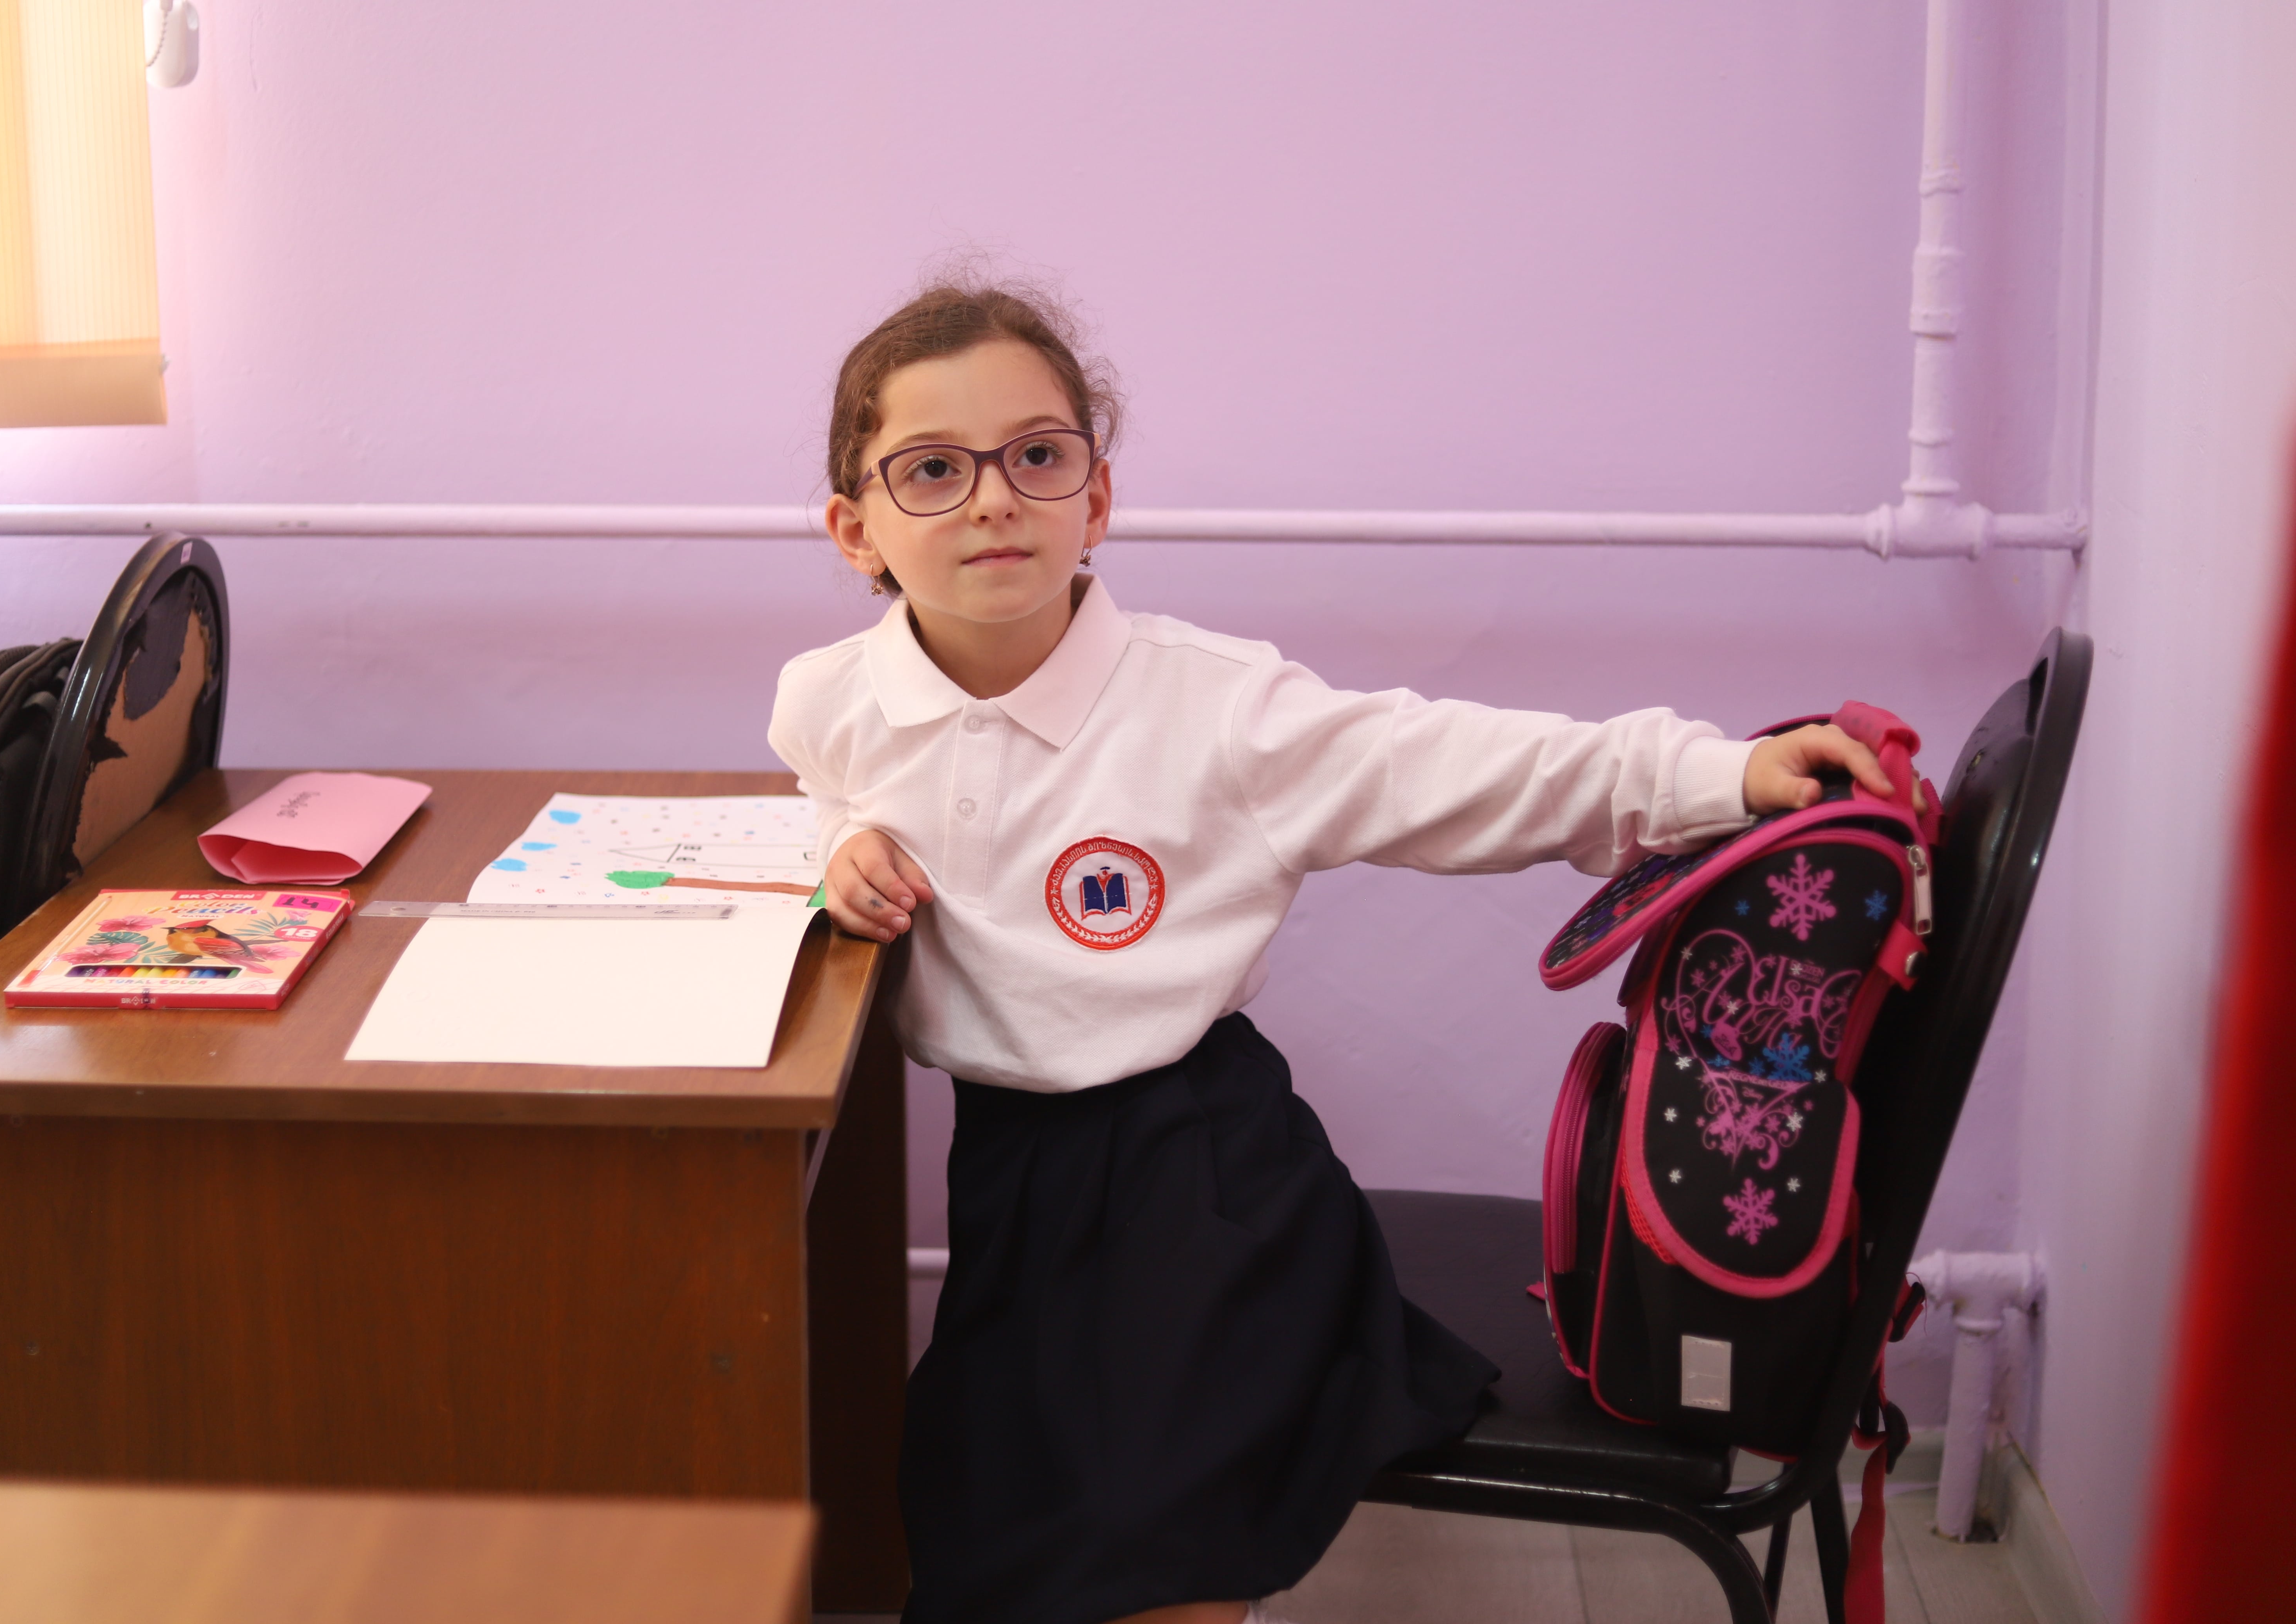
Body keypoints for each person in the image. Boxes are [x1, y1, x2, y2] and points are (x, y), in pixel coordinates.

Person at [767, 283, 1903, 1624]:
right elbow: (827, 794)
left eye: (1037, 455)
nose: (994, 500)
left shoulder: (1217, 707)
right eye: (933, 471)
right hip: (1016, 1182)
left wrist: (1717, 773)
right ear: (857, 531)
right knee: (986, 1534)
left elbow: (1463, 764)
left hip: (1203, 1180)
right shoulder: (832, 699)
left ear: (1097, 498)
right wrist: (840, 849)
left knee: (1152, 1556)